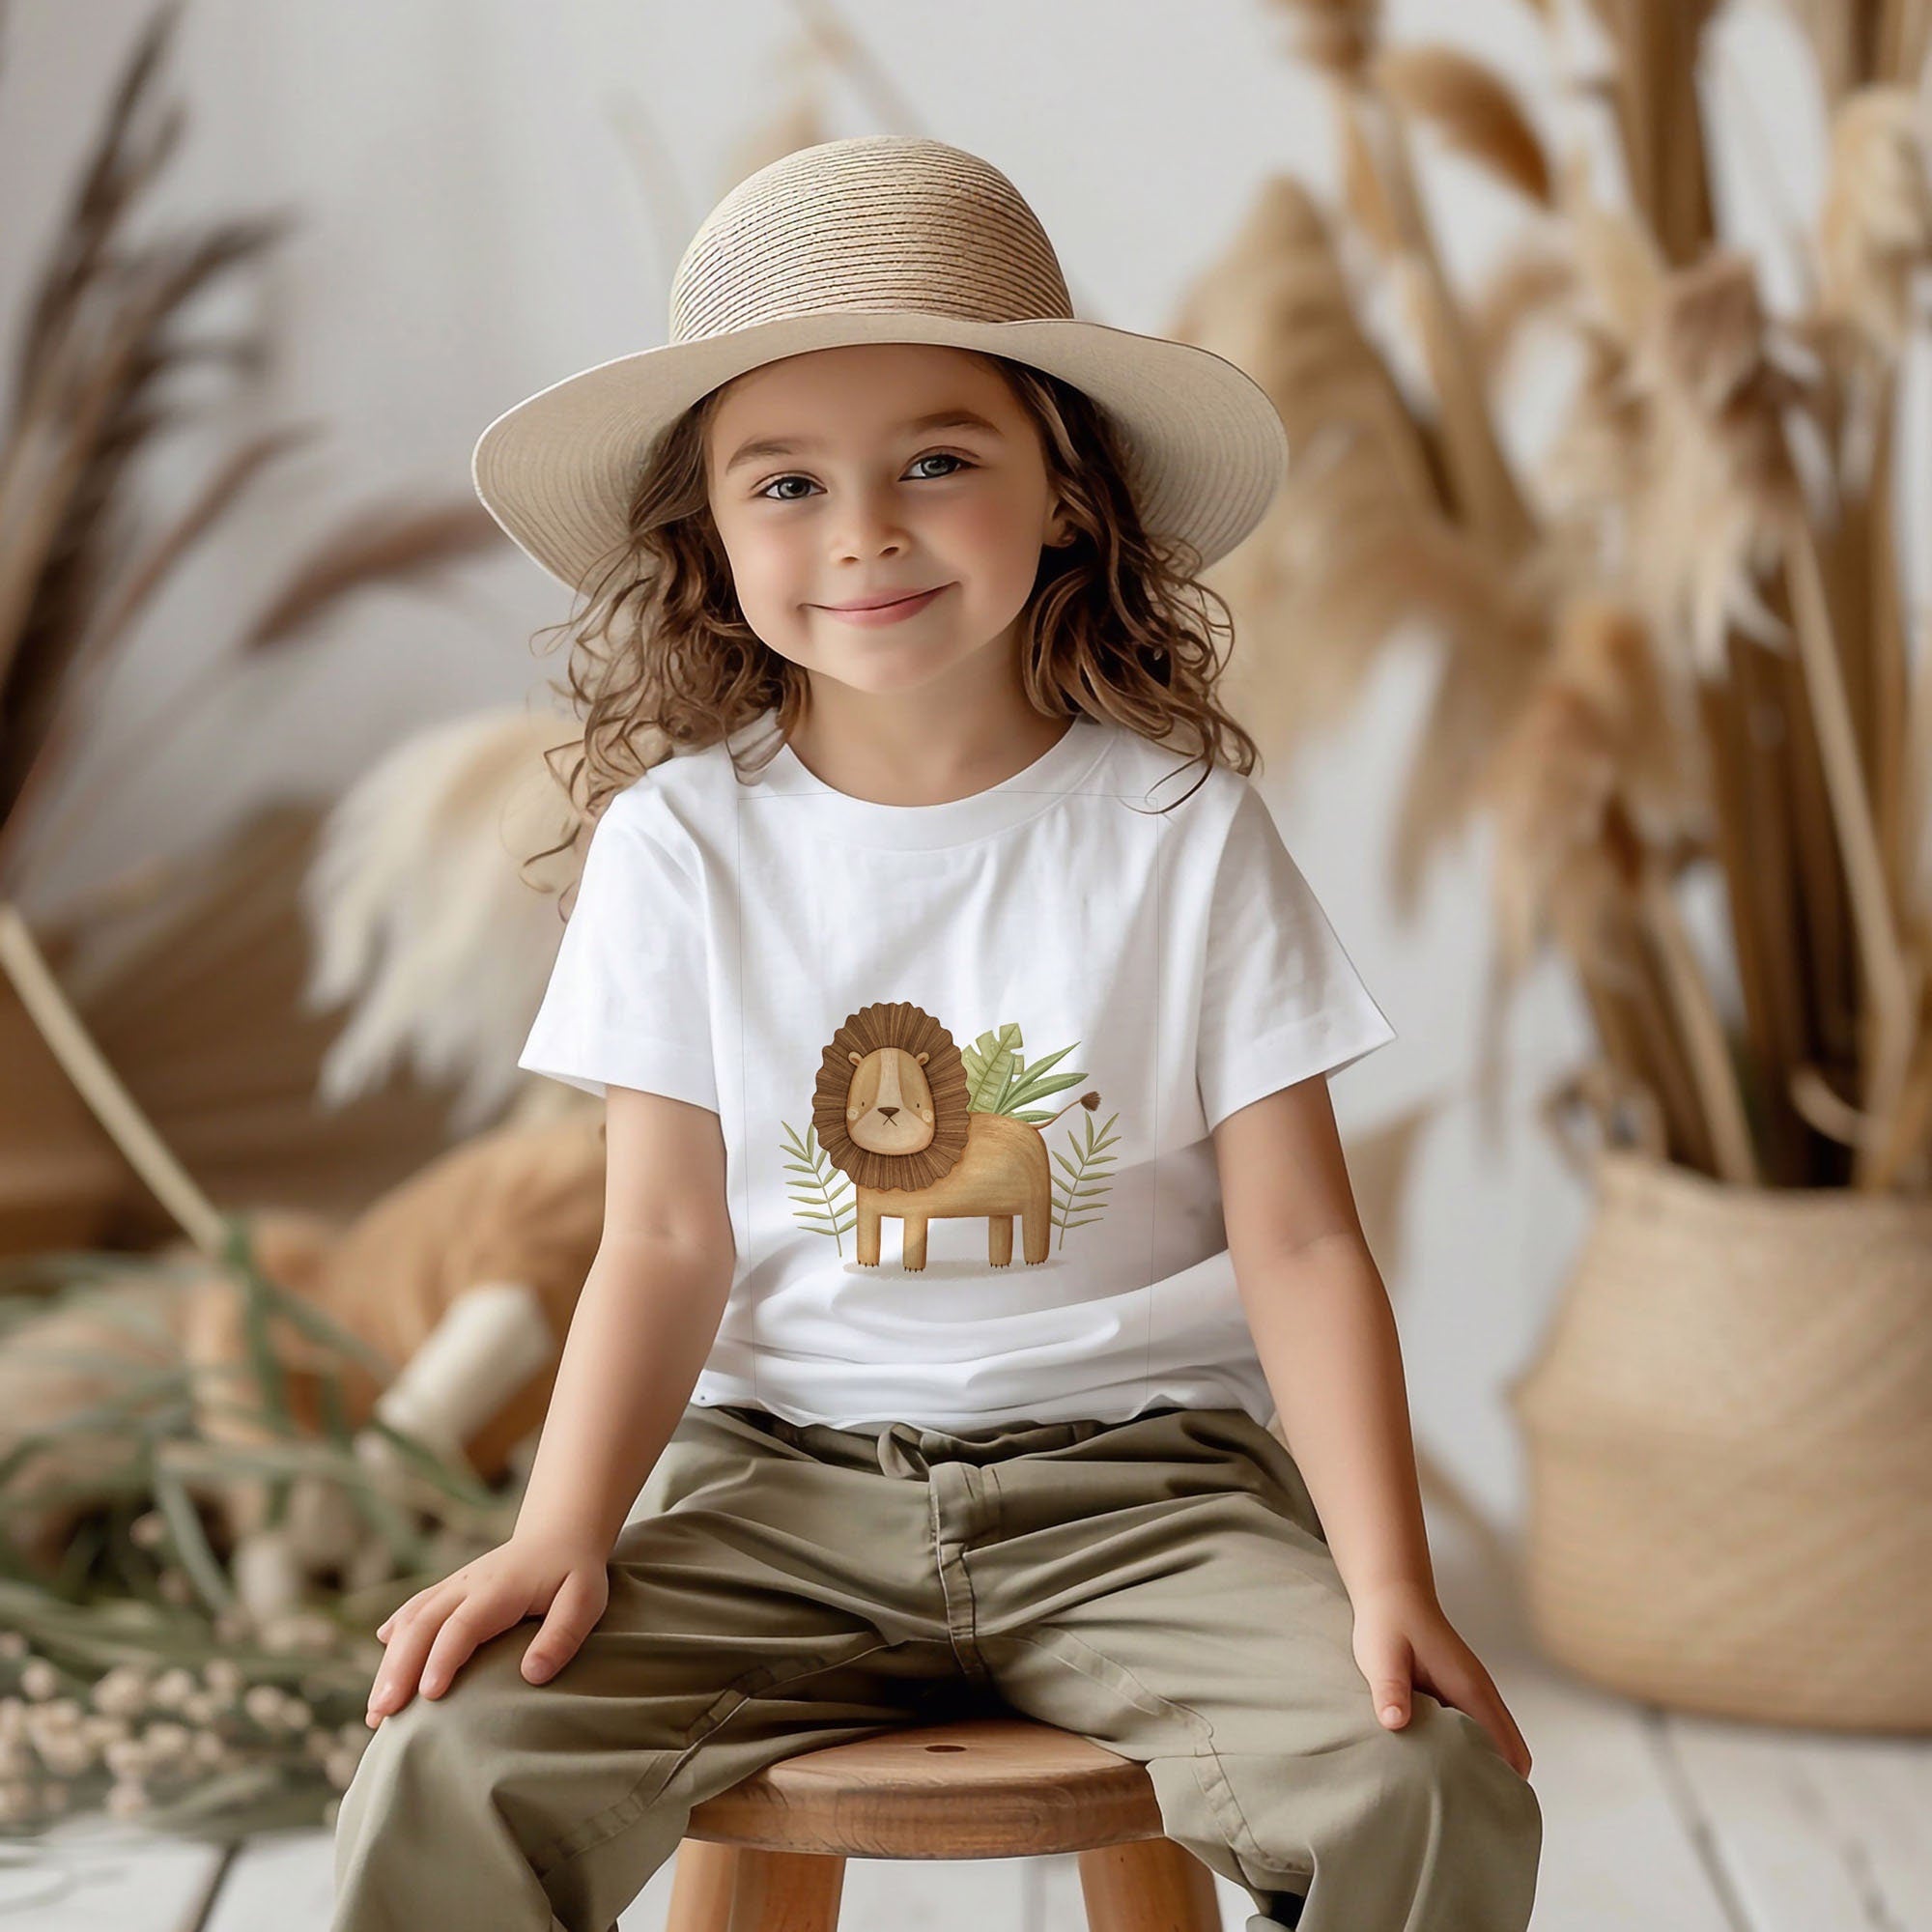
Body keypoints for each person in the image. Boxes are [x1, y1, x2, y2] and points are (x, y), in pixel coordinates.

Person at [331, 135, 1541, 1932]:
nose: (865, 531)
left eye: (937, 461)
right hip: (770, 1496)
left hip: (1142, 1489)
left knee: (1422, 1778)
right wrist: (560, 1530)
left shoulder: (1180, 834)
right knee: (443, 1765)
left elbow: (1297, 1237)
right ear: (710, 539)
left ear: (1065, 491)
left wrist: (1385, 1574)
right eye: (787, 483)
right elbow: (662, 1237)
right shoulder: (682, 844)